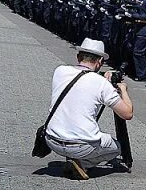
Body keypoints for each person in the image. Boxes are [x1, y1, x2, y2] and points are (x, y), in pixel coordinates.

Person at [43, 39, 134, 179]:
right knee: (117, 148)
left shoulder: (60, 71)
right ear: (100, 62)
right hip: (80, 146)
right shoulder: (102, 84)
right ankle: (83, 163)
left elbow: (84, 78)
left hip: (51, 140)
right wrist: (123, 90)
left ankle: (75, 161)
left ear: (78, 57)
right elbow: (127, 114)